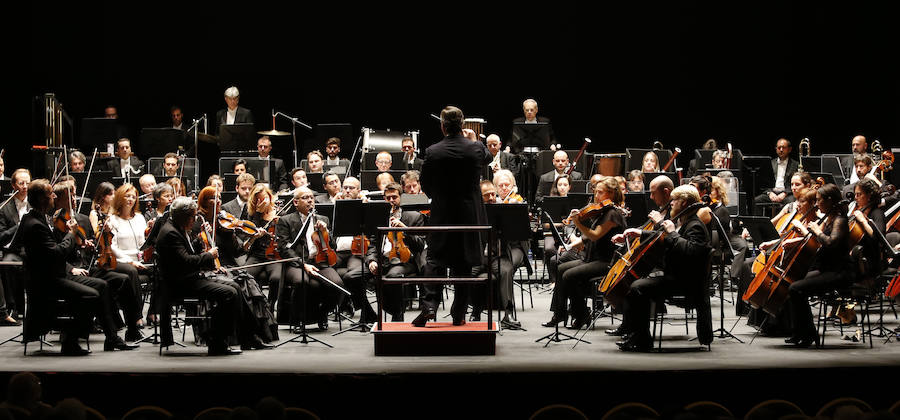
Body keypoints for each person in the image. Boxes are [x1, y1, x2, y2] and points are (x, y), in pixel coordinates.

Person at [15, 179, 138, 354]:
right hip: (48, 281)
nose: (54, 196)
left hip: (57, 274)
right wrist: (71, 235)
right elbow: (56, 253)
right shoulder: (34, 224)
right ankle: (70, 341)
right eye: (51, 194)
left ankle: (112, 338)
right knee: (91, 295)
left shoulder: (41, 218)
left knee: (102, 286)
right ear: (43, 199)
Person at [414, 105, 490, 327]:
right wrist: (474, 138)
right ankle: (459, 314)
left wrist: (439, 198)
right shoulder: (475, 148)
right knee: (464, 265)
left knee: (434, 260)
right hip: (469, 215)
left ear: (442, 125)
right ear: (463, 125)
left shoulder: (433, 151)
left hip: (443, 214)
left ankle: (429, 307)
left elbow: (425, 183)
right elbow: (487, 157)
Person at [612, 184, 712, 351]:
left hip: (687, 283)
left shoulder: (695, 225)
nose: (671, 203)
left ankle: (641, 339)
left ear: (685, 202)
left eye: (674, 200)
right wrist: (641, 233)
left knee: (638, 287)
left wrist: (672, 233)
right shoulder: (685, 222)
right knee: (637, 285)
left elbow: (690, 252)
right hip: (677, 277)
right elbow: (664, 237)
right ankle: (636, 335)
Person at [155, 196, 245, 355]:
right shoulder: (170, 232)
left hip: (189, 278)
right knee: (229, 293)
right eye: (192, 216)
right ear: (183, 216)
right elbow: (187, 261)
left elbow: (187, 251)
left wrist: (198, 239)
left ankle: (222, 338)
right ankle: (216, 341)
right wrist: (209, 255)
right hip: (180, 284)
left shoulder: (177, 227)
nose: (195, 219)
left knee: (236, 287)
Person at [544, 177, 627, 330]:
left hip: (606, 261)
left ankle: (582, 314)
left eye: (600, 192)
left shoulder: (613, 215)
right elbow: (587, 238)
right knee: (561, 268)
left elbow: (594, 235)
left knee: (569, 275)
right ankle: (560, 312)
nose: (596, 196)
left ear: (612, 194)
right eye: (595, 192)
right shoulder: (602, 212)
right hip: (592, 259)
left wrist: (578, 223)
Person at [784, 184, 853, 347]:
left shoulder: (840, 220)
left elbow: (831, 242)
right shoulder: (829, 218)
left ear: (829, 201)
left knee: (796, 289)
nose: (816, 204)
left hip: (839, 272)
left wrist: (816, 231)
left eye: (819, 200)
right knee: (793, 284)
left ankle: (808, 334)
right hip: (827, 269)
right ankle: (800, 332)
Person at [276, 187, 345, 331]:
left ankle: (322, 314)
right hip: (296, 264)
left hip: (319, 261)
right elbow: (284, 249)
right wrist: (303, 265)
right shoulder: (286, 220)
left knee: (337, 285)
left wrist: (325, 231)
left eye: (312, 198)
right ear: (295, 202)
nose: (310, 201)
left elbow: (333, 246)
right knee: (302, 282)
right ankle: (296, 320)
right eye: (305, 198)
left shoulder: (323, 219)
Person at [365, 183, 426, 322]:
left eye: (394, 197)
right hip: (384, 258)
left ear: (401, 198)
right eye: (388, 198)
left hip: (405, 260)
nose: (391, 200)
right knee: (354, 276)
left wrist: (406, 230)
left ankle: (397, 314)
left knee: (392, 276)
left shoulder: (414, 216)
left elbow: (421, 245)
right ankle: (370, 314)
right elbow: (373, 244)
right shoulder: (379, 217)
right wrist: (372, 260)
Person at [470, 181, 526, 327]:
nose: (491, 198)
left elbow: (515, 234)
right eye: (486, 195)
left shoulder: (503, 210)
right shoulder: (474, 212)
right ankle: (473, 311)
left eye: (493, 194)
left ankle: (508, 314)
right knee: (465, 273)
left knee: (506, 271)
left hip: (497, 256)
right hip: (478, 257)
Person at [104, 183, 148, 337]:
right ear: (120, 198)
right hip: (121, 262)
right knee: (131, 272)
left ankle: (154, 313)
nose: (130, 199)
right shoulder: (113, 219)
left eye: (133, 196)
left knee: (162, 270)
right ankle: (136, 317)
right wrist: (130, 261)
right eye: (127, 195)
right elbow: (113, 247)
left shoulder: (140, 218)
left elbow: (143, 243)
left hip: (139, 260)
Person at [245, 184, 284, 312]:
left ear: (270, 196)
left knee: (276, 278)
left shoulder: (280, 213)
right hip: (257, 255)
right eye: (259, 200)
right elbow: (251, 232)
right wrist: (258, 213)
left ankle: (271, 304)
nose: (263, 202)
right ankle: (256, 304)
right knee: (245, 276)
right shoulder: (252, 215)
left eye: (265, 198)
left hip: (274, 255)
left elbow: (286, 235)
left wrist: (281, 224)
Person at [0, 169, 31, 325]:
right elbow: (1, 236)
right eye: (21, 183)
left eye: (28, 183)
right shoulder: (4, 208)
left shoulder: (36, 204)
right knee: (8, 264)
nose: (25, 186)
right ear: (13, 185)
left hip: (33, 249)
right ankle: (13, 307)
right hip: (14, 250)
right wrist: (19, 226)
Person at [753, 138, 800, 215]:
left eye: (784, 147)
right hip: (772, 193)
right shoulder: (770, 163)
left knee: (791, 202)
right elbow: (765, 182)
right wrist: (770, 193)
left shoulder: (795, 164)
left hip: (787, 194)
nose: (781, 150)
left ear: (789, 149)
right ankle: (760, 225)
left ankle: (784, 225)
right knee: (756, 201)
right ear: (776, 149)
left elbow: (796, 183)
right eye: (779, 148)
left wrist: (785, 193)